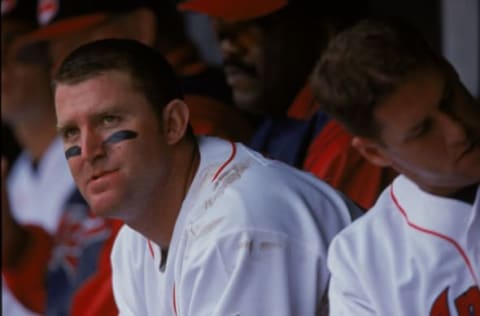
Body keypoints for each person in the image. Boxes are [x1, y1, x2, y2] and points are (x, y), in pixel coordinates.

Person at [53, 38, 364, 315]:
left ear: (173, 123)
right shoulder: (134, 244)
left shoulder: (239, 220)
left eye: (108, 120)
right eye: (70, 133)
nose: (87, 150)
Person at [311, 18, 480, 315]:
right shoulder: (362, 260)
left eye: (449, 99)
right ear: (375, 153)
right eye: (423, 130)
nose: (457, 131)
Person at [179, 0, 396, 209]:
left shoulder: (347, 134)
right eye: (222, 32)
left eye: (250, 28)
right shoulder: (279, 118)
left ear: (320, 32)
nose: (229, 49)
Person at [1, 1, 120, 315]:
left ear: (51, 56)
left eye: (17, 49)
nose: (2, 66)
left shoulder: (101, 154)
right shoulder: (16, 178)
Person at [17, 0, 254, 142]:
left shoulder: (191, 119)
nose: (60, 70)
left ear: (141, 27)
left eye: (78, 48)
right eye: (52, 58)